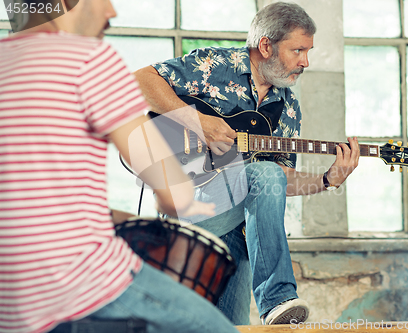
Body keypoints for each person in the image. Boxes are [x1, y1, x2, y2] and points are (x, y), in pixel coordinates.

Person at [0, 0, 240, 332]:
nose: (111, 12)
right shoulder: (88, 58)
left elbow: (29, 205)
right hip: (83, 287)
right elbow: (174, 189)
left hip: (13, 310)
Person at [134, 1, 360, 326]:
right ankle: (277, 298)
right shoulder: (214, 65)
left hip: (235, 231)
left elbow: (277, 180)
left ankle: (273, 309)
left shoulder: (288, 106)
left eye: (308, 51)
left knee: (230, 327)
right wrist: (198, 122)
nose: (306, 61)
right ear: (266, 45)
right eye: (297, 50)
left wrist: (327, 180)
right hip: (186, 207)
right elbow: (141, 79)